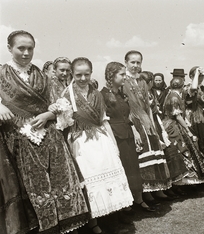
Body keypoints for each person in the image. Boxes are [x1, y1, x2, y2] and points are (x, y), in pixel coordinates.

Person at [0, 30, 89, 233]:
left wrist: (48, 115)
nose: (26, 53)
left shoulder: (41, 76)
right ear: (9, 49)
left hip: (49, 137)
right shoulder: (1, 74)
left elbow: (62, 103)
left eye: (30, 48)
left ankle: (64, 225)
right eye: (21, 48)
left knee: (58, 181)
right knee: (31, 187)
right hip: (18, 140)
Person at [50, 57, 133, 234]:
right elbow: (64, 125)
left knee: (109, 178)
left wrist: (113, 144)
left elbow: (104, 121)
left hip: (101, 140)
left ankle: (112, 220)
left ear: (91, 73)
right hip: (81, 143)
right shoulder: (66, 94)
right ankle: (93, 223)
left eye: (86, 74)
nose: (82, 78)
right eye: (78, 74)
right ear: (72, 73)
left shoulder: (96, 93)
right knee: (90, 181)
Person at [101, 62, 154, 212]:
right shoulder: (103, 95)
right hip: (115, 135)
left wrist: (135, 131)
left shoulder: (122, 94)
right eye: (122, 74)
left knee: (133, 168)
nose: (125, 77)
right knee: (123, 168)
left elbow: (128, 115)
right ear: (111, 76)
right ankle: (125, 204)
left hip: (128, 133)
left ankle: (138, 200)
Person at [123, 50, 171, 204]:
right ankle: (144, 193)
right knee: (142, 153)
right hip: (133, 122)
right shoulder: (123, 81)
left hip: (147, 122)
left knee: (154, 151)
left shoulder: (142, 82)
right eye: (133, 62)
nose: (135, 66)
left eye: (138, 62)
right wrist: (134, 127)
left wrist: (151, 124)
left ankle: (156, 188)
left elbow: (148, 107)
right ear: (126, 63)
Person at [162, 76, 204, 186]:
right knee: (183, 150)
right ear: (181, 87)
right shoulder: (174, 97)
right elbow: (178, 116)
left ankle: (184, 182)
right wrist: (188, 129)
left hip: (172, 124)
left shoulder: (173, 95)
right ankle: (182, 182)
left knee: (186, 150)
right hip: (174, 126)